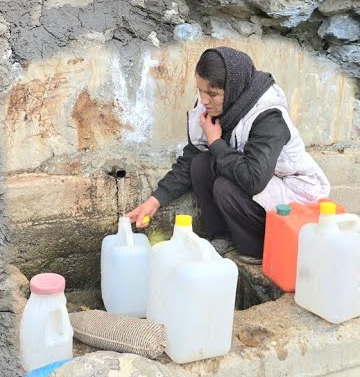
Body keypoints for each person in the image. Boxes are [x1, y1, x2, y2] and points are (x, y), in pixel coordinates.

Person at [126, 47, 330, 261]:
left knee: (225, 187)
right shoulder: (215, 108)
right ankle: (223, 236)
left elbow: (254, 180)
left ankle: (257, 248)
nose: (204, 100)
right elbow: (191, 157)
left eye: (212, 93)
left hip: (293, 197)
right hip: (261, 187)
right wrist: (155, 200)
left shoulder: (269, 117)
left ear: (233, 89)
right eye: (200, 90)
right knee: (200, 164)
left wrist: (215, 141)